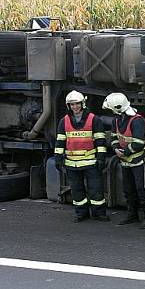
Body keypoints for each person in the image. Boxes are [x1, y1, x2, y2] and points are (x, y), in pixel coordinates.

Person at [54, 90, 109, 222]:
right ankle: (81, 213)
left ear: (82, 104)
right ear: (68, 106)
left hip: (91, 163)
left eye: (77, 104)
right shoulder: (64, 121)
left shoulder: (94, 120)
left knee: (96, 190)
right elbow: (60, 141)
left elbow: (100, 141)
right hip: (72, 164)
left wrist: (101, 158)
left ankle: (99, 214)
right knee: (77, 191)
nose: (75, 107)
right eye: (72, 104)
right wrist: (58, 158)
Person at [103, 92, 145, 228]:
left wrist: (124, 152)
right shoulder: (117, 120)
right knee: (128, 189)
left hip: (138, 161)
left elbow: (138, 143)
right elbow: (114, 137)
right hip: (125, 161)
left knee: (141, 188)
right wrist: (115, 149)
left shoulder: (137, 120)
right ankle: (132, 214)